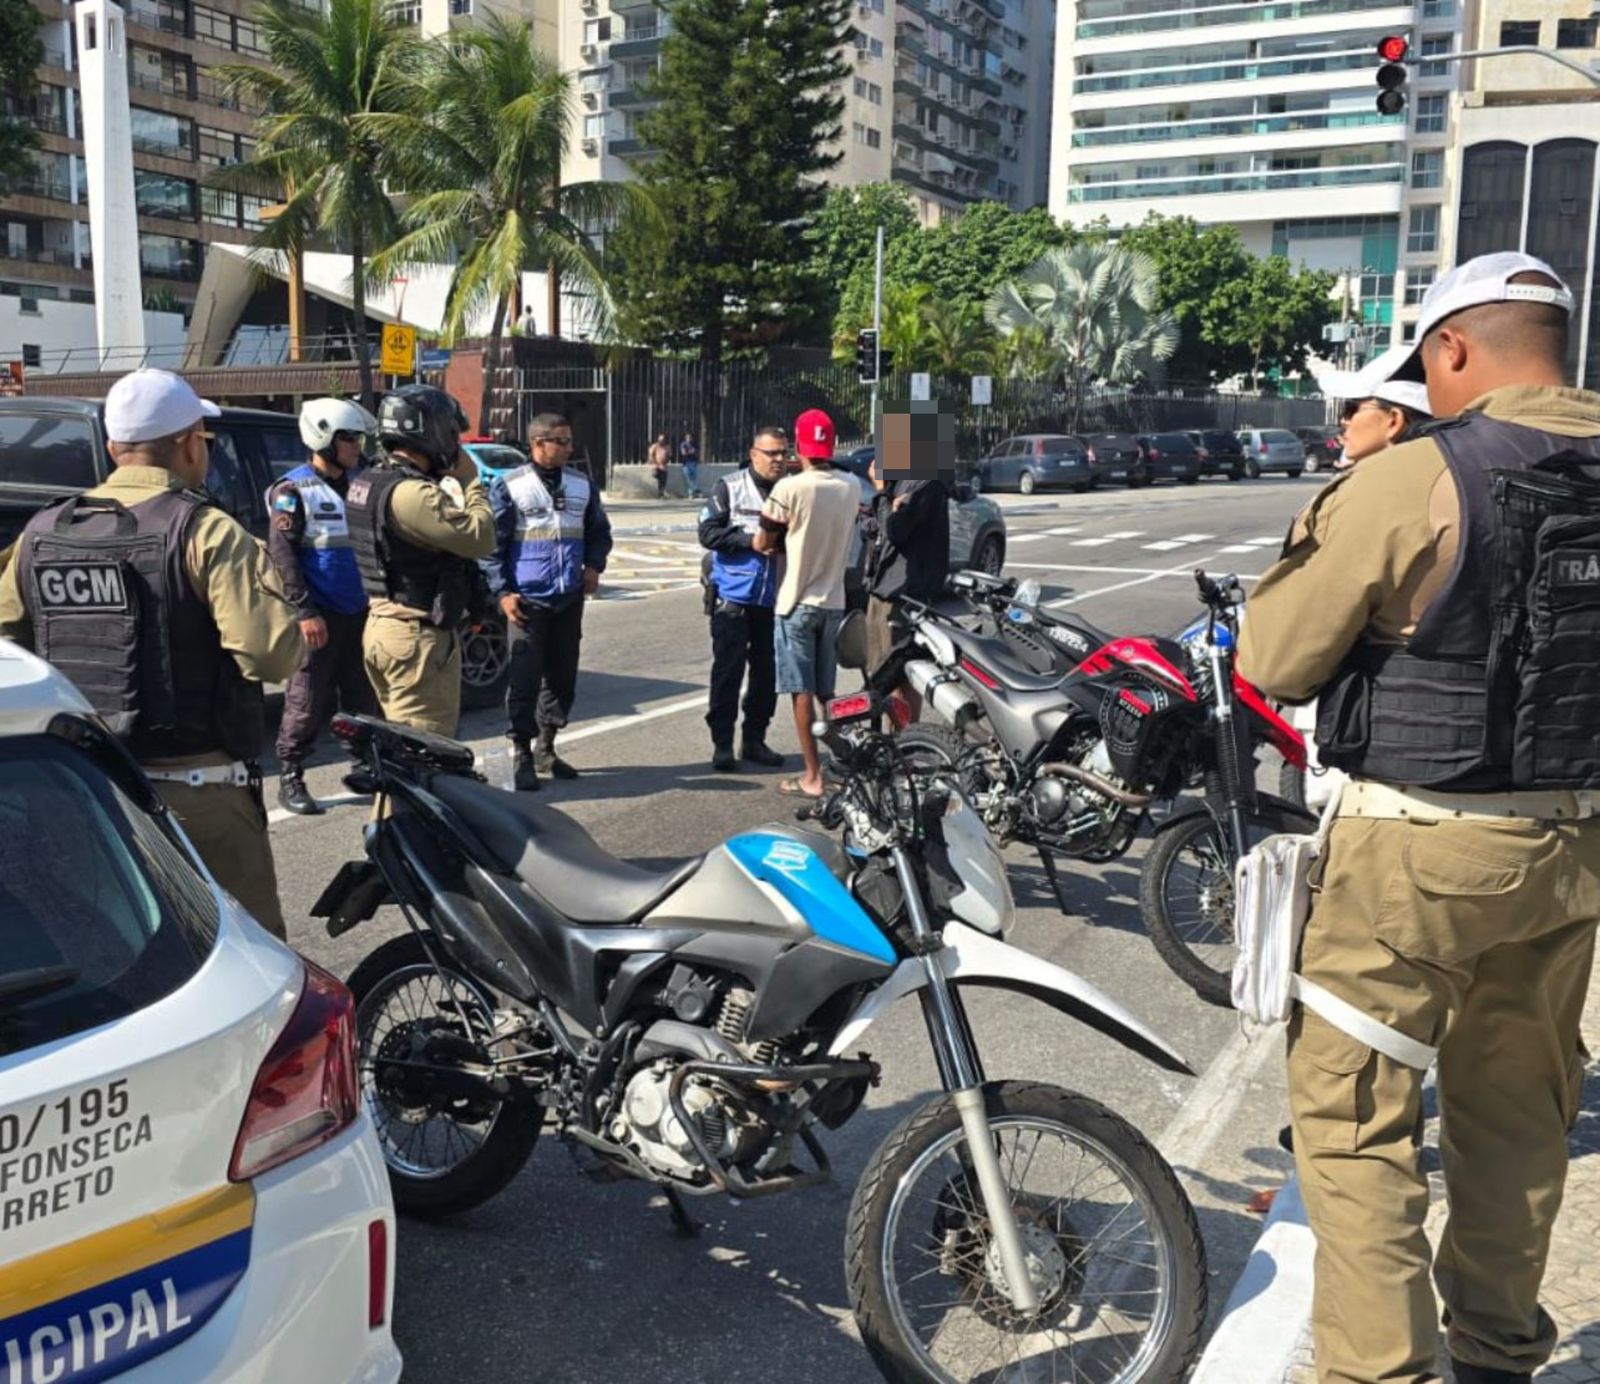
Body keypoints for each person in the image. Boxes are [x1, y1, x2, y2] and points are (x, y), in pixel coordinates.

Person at [1237, 252, 1600, 1384]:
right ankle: (1495, 1351)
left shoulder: (1413, 479)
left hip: (1417, 848)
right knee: (1516, 1113)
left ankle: (1379, 1371)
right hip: (1574, 844)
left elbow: (1275, 657)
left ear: (1451, 349)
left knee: (1354, 1126)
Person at [0, 368, 304, 938]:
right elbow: (271, 658)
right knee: (245, 964)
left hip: (86, 798)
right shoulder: (207, 531)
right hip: (200, 798)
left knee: (120, 963)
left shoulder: (41, 533)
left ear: (114, 448)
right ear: (191, 444)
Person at [345, 384, 495, 739]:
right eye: (451, 433)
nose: (454, 443)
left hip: (385, 626)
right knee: (427, 755)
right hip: (415, 636)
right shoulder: (412, 493)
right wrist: (471, 480)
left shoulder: (369, 481)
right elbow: (480, 536)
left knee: (401, 754)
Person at [483, 412, 613, 791]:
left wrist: (594, 566)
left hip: (568, 597)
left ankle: (547, 746)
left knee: (561, 675)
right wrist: (503, 593)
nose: (570, 448)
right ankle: (521, 753)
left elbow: (598, 532)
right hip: (527, 600)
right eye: (562, 441)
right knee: (524, 678)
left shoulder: (581, 484)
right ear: (539, 443)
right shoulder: (511, 486)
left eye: (569, 440)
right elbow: (492, 546)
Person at [266, 397, 381, 814]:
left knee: (361, 696)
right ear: (324, 439)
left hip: (359, 610)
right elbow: (284, 558)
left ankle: (362, 765)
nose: (356, 445)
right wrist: (305, 612)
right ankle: (291, 776)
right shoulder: (293, 491)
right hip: (319, 615)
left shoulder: (361, 485)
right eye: (349, 438)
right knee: (306, 700)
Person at [754, 408, 859, 798]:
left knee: (801, 692)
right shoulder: (850, 486)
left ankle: (812, 776)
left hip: (796, 602)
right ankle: (844, 761)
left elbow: (763, 541)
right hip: (834, 601)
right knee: (826, 693)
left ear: (799, 446)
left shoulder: (789, 488)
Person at [699, 425, 789, 773]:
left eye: (784, 453)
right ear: (754, 454)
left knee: (767, 674)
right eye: (772, 453)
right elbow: (708, 532)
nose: (779, 460)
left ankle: (754, 739)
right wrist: (749, 541)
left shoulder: (791, 489)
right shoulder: (731, 487)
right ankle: (722, 743)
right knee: (728, 673)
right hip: (734, 599)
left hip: (776, 598)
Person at [864, 399, 953, 712]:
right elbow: (878, 526)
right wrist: (884, 500)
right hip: (884, 587)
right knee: (878, 674)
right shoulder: (902, 478)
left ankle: (903, 745)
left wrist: (880, 492)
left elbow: (897, 529)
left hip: (904, 593)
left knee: (899, 673)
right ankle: (890, 742)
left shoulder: (925, 482)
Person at [679, 431, 703, 499]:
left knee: (694, 478)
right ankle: (697, 491)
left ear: (692, 438)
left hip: (693, 463)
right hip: (686, 463)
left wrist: (689, 452)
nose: (689, 439)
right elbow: (683, 453)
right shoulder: (683, 444)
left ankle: (691, 493)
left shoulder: (695, 444)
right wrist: (691, 452)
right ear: (685, 438)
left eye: (690, 437)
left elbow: (696, 452)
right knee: (688, 478)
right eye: (687, 438)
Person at [648, 434, 671, 500]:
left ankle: (661, 494)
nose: (662, 441)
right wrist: (654, 462)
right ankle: (660, 493)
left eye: (663, 440)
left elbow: (669, 455)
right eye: (660, 439)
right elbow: (651, 454)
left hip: (663, 466)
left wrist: (666, 460)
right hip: (656, 466)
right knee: (656, 475)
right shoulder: (655, 446)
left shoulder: (667, 447)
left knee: (663, 481)